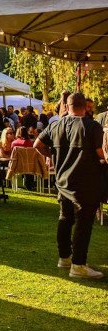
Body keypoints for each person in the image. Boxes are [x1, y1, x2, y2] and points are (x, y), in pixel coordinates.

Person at [35, 92, 105, 279]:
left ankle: (64, 258)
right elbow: (101, 153)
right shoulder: (92, 126)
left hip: (63, 181)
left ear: (67, 105)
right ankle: (78, 265)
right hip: (86, 182)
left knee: (65, 218)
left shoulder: (56, 125)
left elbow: (37, 144)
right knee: (84, 223)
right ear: (86, 107)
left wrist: (52, 155)